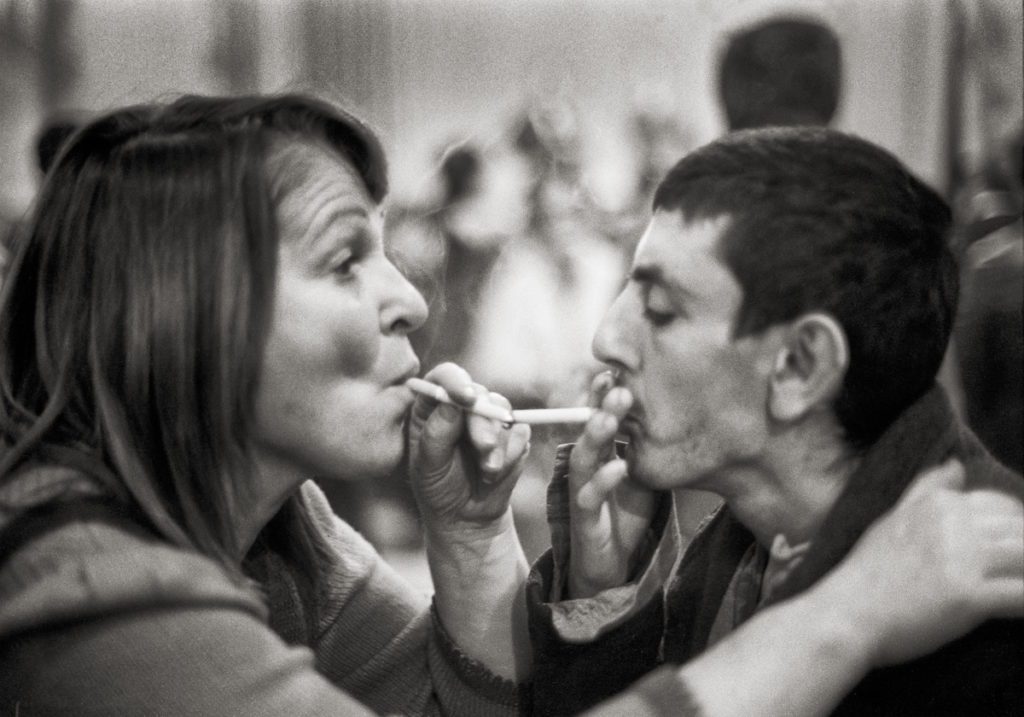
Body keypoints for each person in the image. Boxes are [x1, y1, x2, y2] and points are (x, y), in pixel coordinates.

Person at [0, 95, 1019, 717]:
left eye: (656, 306)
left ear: (798, 368)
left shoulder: (285, 532)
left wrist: (472, 532)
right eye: (346, 257)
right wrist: (843, 619)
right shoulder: (78, 579)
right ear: (187, 315)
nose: (407, 297)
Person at [527, 126, 1024, 715]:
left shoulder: (984, 605)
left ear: (800, 366)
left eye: (660, 310)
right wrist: (601, 597)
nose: (605, 339)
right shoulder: (742, 545)